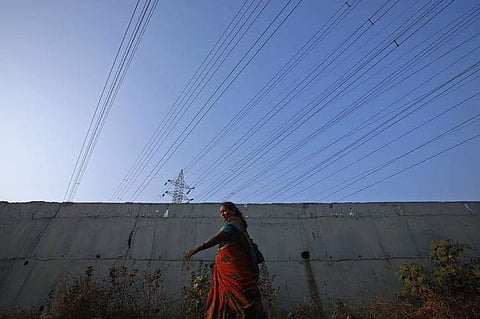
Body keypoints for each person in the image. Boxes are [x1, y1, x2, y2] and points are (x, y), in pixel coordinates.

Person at [184, 202, 267, 319]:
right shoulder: (238, 225)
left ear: (233, 210)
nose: (222, 214)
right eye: (221, 212)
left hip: (235, 274)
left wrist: (196, 249)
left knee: (243, 299)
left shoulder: (233, 224)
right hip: (227, 273)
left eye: (225, 210)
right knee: (228, 303)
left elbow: (218, 237)